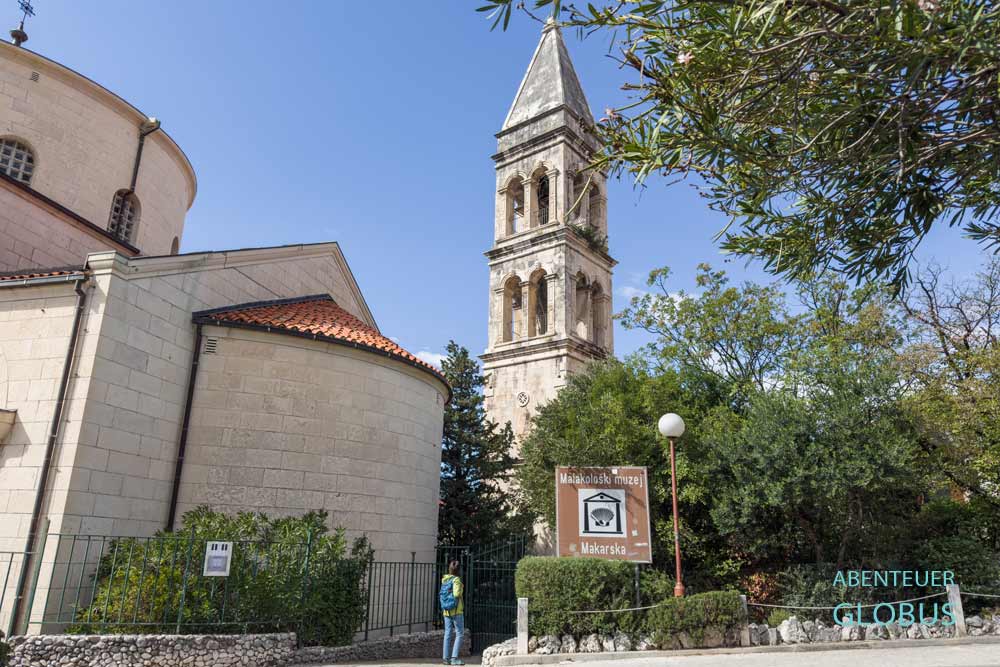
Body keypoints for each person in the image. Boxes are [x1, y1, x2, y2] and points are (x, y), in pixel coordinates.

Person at [440, 560, 464, 666]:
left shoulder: (445, 579)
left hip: (446, 611)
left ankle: (446, 658)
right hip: (456, 610)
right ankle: (454, 659)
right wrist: (461, 587)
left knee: (448, 633)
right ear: (459, 570)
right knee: (459, 633)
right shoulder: (456, 580)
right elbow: (456, 594)